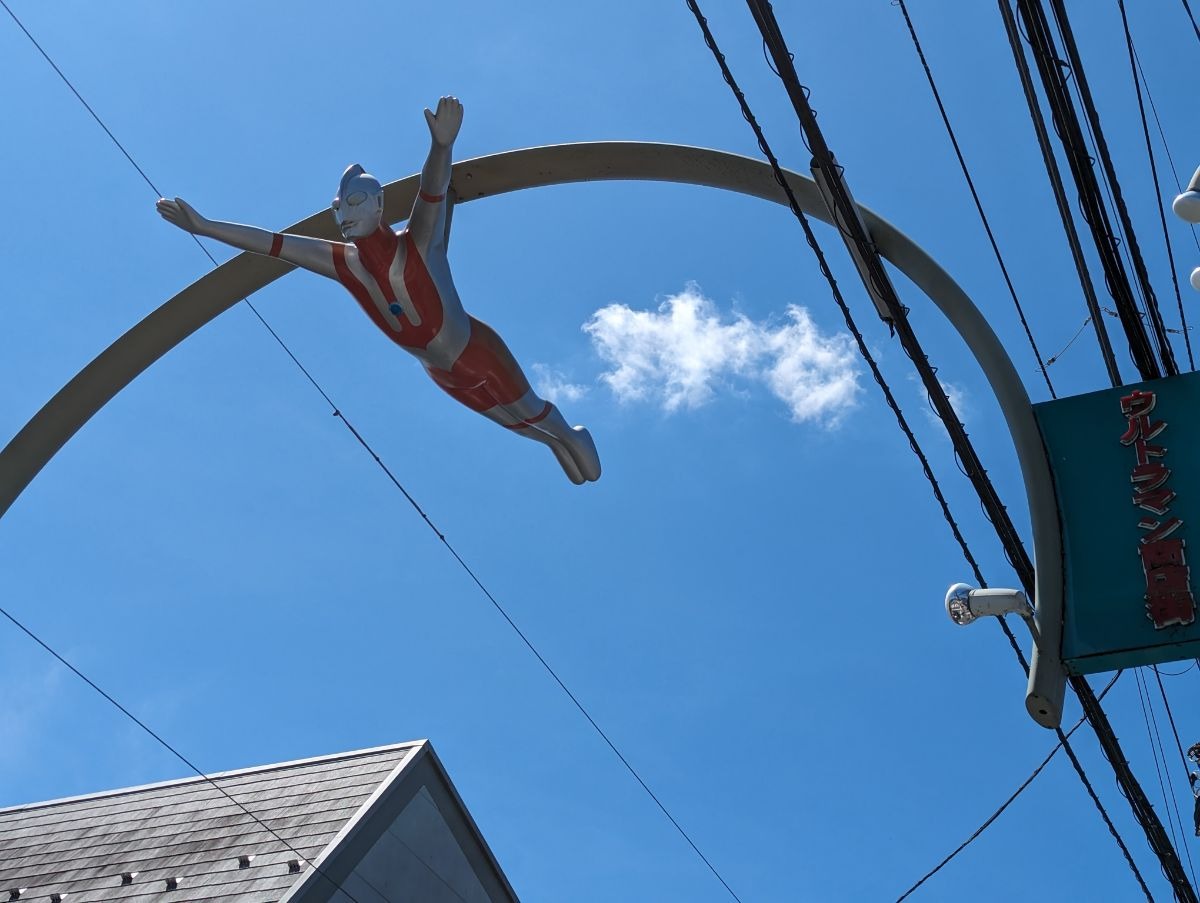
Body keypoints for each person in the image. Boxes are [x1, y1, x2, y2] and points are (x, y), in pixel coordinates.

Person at [156, 96, 600, 485]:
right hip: (440, 370)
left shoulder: (419, 244)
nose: (344, 217)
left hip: (476, 350)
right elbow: (275, 245)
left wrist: (441, 145)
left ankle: (568, 435)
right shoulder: (344, 263)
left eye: (353, 204)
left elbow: (433, 189)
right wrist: (206, 226)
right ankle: (552, 443)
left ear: (378, 205)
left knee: (527, 409)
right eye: (337, 209)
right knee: (511, 422)